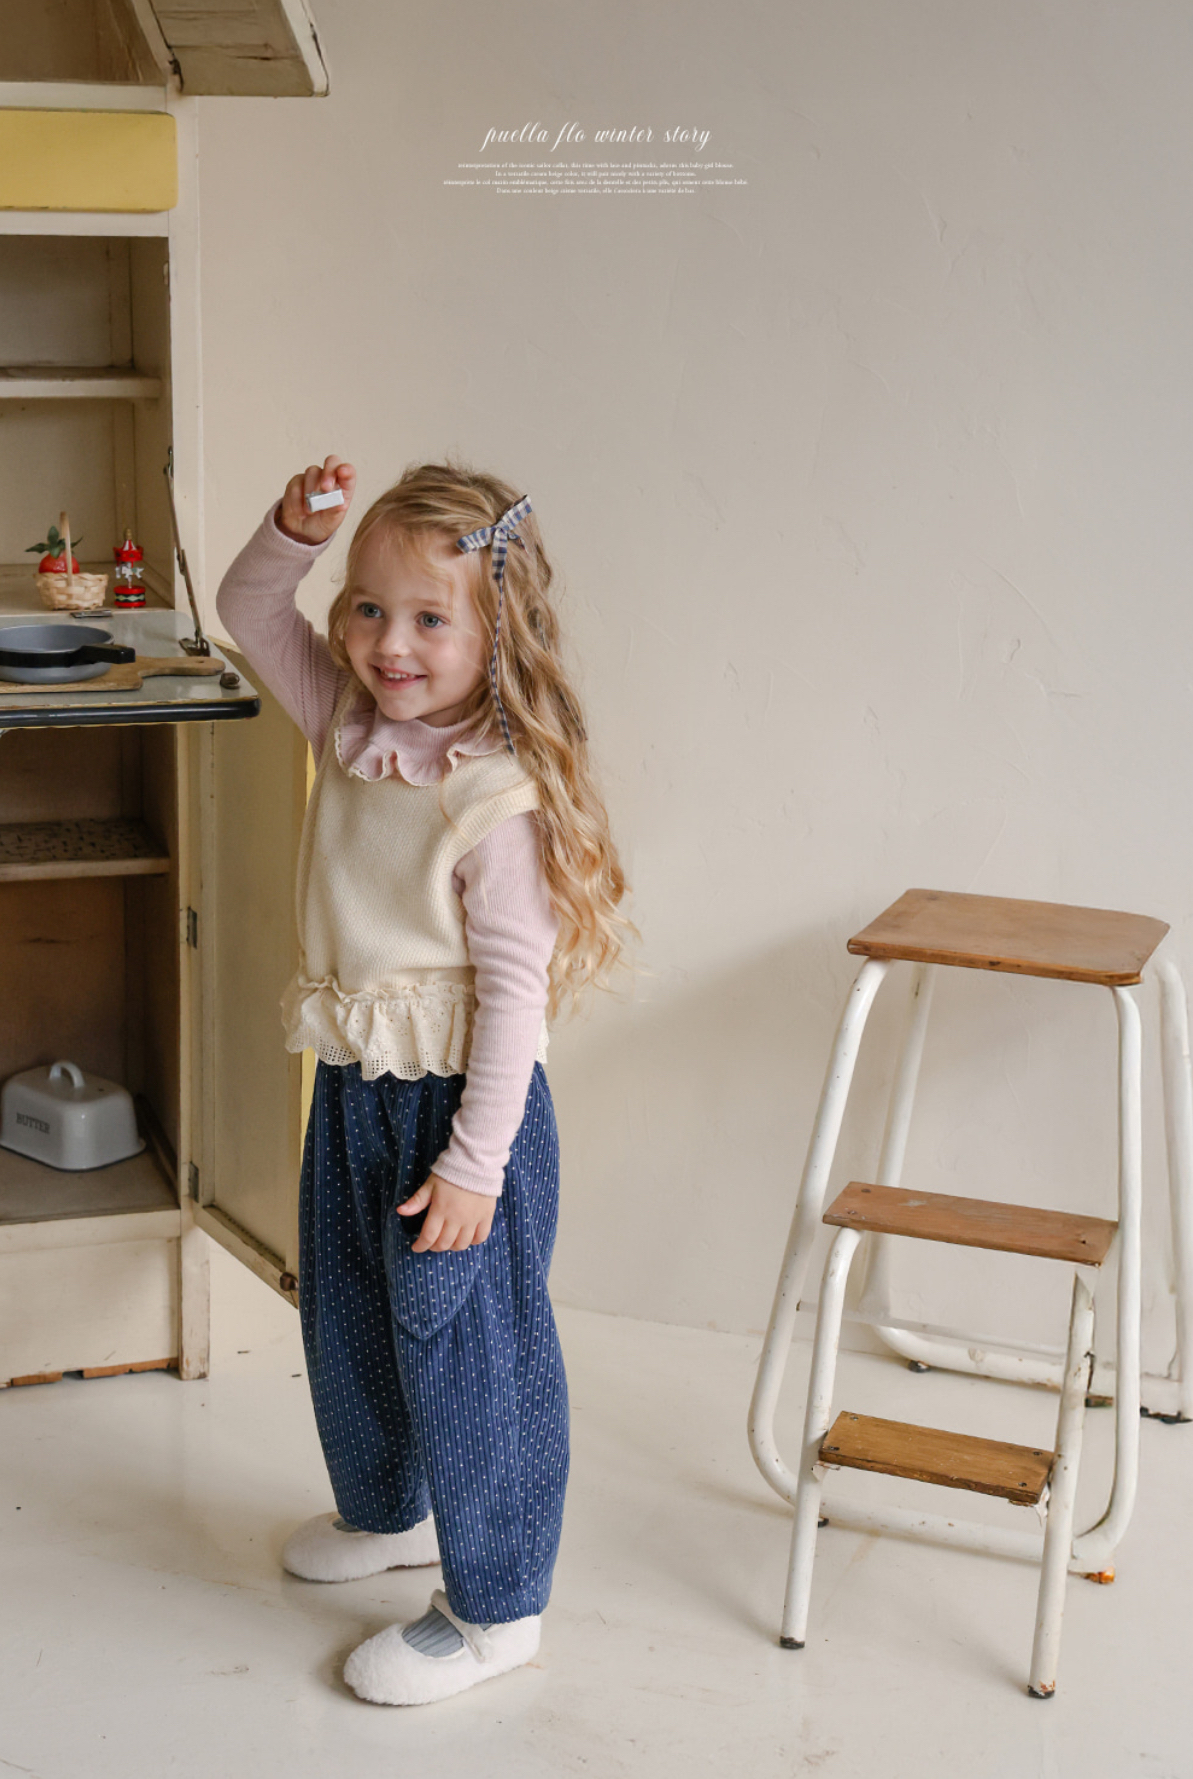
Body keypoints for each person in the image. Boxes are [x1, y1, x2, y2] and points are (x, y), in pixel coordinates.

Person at [215, 455, 630, 1705]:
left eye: (428, 619)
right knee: (345, 1314)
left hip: (457, 1114)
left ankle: (497, 1606)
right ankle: (387, 1511)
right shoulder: (348, 722)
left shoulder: (492, 798)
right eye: (366, 607)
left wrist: (473, 1166)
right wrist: (294, 533)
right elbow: (246, 609)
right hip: (356, 1087)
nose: (388, 644)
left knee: (469, 1353)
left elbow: (513, 1002)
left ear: (497, 633)